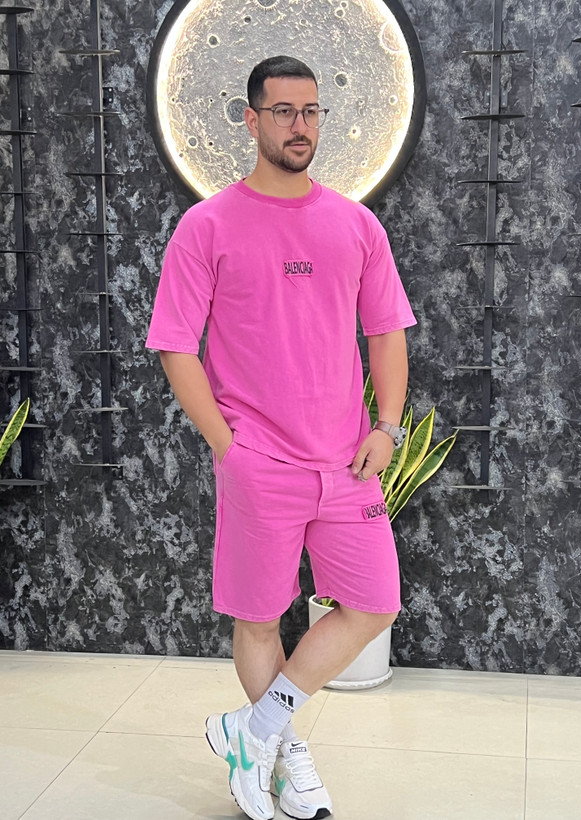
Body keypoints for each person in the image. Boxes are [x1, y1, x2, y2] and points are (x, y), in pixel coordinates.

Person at [146, 55, 416, 820]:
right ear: (251, 119)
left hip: (348, 463)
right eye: (284, 111)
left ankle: (256, 729)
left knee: (373, 604)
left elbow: (387, 331)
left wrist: (387, 426)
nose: (301, 126)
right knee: (259, 618)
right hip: (259, 463)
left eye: (311, 111)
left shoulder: (355, 224)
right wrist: (226, 446)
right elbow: (174, 344)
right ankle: (284, 757)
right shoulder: (207, 226)